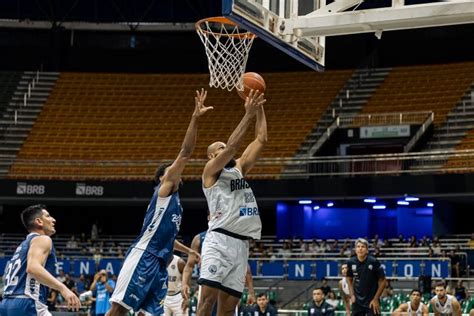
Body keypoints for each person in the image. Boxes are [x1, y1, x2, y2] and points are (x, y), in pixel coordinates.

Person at [107, 89, 211, 316]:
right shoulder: (164, 190)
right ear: (163, 178)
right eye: (170, 171)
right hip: (145, 255)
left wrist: (189, 252)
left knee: (148, 313)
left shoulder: (175, 204)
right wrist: (195, 118)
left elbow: (168, 239)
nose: (175, 172)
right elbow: (185, 152)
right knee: (118, 310)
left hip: (160, 261)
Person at [196, 89, 267, 316]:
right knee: (206, 303)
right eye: (219, 148)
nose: (223, 150)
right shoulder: (210, 172)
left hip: (241, 245)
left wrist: (259, 107)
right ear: (211, 156)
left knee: (228, 310)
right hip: (219, 240)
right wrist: (247, 114)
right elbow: (233, 147)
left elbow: (261, 139)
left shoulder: (239, 169)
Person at [0, 204, 81, 315]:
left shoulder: (22, 246)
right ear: (39, 221)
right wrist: (63, 288)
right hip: (27, 301)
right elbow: (33, 268)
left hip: (6, 303)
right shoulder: (42, 239)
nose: (53, 220)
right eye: (48, 216)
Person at [182, 228, 256, 314]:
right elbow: (189, 265)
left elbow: (245, 268)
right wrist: (185, 283)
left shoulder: (233, 236)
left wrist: (251, 292)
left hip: (228, 283)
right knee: (204, 309)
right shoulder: (199, 238)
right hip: (208, 284)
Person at [346, 238, 387, 316]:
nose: (360, 248)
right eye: (358, 246)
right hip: (357, 301)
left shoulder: (373, 261)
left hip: (372, 301)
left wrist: (375, 299)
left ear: (367, 250)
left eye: (363, 246)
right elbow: (349, 278)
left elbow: (383, 281)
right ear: (355, 250)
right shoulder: (351, 262)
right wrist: (352, 295)